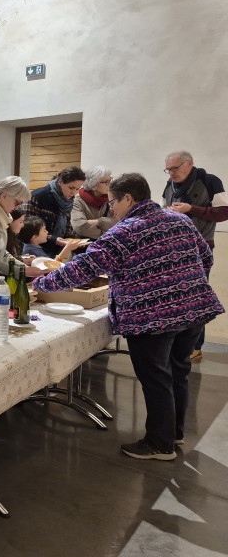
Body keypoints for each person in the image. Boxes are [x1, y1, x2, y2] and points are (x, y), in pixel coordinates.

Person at [34, 173, 223, 461]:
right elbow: (206, 257)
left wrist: (42, 283)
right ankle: (174, 432)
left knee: (156, 379)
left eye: (113, 202)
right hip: (193, 310)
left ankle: (160, 444)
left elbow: (84, 268)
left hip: (152, 318)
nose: (111, 209)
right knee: (177, 373)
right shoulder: (180, 220)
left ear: (128, 198)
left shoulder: (125, 231)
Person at [161, 150, 228, 361]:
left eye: (175, 168)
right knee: (175, 298)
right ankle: (176, 345)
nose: (171, 173)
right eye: (168, 169)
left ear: (189, 163)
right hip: (173, 248)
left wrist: (192, 208)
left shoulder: (210, 181)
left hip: (201, 248)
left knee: (196, 298)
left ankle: (195, 346)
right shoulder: (169, 185)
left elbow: (224, 212)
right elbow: (162, 210)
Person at [23, 166, 86, 256]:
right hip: (33, 251)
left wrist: (76, 241)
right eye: (71, 188)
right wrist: (54, 240)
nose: (74, 193)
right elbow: (26, 228)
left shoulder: (69, 202)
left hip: (55, 251)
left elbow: (67, 229)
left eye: (77, 189)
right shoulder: (38, 196)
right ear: (60, 182)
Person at [72, 166, 116, 239]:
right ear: (93, 185)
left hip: (106, 244)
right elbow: (80, 227)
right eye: (106, 182)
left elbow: (117, 222)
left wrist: (97, 222)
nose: (110, 184)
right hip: (84, 245)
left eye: (110, 180)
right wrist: (106, 234)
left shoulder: (111, 200)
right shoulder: (78, 201)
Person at [18, 216, 85, 260]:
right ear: (35, 237)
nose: (47, 232)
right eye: (44, 230)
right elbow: (51, 267)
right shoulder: (32, 251)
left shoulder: (31, 248)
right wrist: (67, 248)